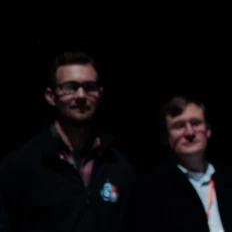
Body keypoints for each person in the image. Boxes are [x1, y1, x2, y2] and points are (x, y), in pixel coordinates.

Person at [0, 51, 136, 232]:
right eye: (70, 87)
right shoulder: (20, 166)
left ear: (100, 94)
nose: (80, 95)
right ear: (51, 96)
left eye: (89, 87)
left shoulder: (119, 165)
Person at [138, 95, 232, 231]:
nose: (189, 132)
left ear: (208, 130)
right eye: (179, 126)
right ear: (165, 137)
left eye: (195, 123)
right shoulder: (152, 189)